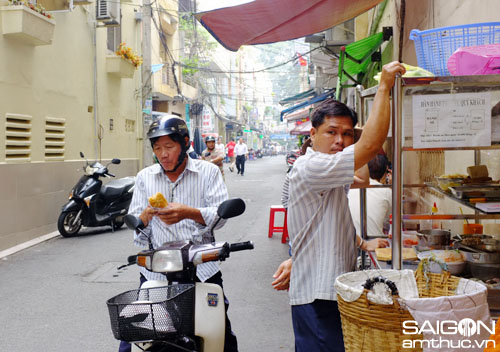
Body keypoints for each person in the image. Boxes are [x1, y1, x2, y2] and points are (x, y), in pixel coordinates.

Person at [271, 61, 405, 352]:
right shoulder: (312, 165)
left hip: (328, 288)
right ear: (313, 134)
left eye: (346, 134)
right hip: (319, 294)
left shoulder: (328, 168)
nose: (340, 140)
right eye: (331, 132)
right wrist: (384, 87)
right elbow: (370, 148)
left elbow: (330, 216)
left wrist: (361, 243)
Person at [120, 115, 238, 352]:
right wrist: (143, 219)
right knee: (133, 337)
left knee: (220, 333)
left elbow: (221, 215)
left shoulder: (208, 173)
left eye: (169, 147)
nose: (162, 154)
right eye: (157, 148)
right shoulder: (145, 177)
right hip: (157, 272)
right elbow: (138, 230)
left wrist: (188, 212)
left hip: (202, 269)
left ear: (185, 143)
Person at [348, 153, 392, 238]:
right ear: (384, 172)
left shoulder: (350, 186)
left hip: (350, 241)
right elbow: (389, 222)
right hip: (374, 243)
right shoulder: (386, 191)